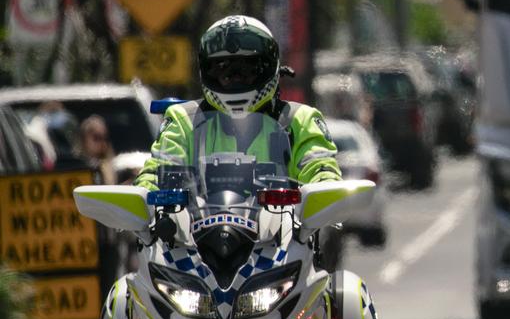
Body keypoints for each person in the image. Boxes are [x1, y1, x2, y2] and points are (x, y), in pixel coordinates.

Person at [136, 15, 341, 190]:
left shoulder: (300, 120)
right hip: (193, 235)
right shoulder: (183, 120)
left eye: (247, 68)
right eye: (223, 69)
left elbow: (321, 170)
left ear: (270, 67)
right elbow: (157, 172)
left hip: (284, 235)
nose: (235, 78)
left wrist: (326, 190)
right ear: (207, 71)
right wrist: (142, 196)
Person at [79, 115, 116, 185]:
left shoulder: (115, 168)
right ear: (84, 140)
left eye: (105, 138)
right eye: (96, 138)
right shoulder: (75, 167)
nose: (102, 143)